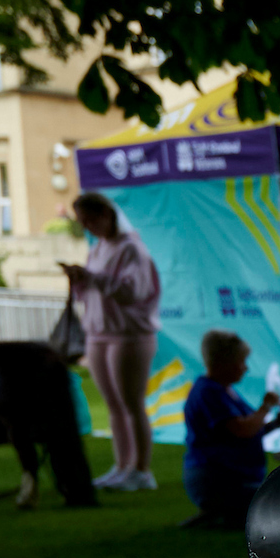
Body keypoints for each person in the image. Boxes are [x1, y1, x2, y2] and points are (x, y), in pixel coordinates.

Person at [61, 192, 161, 492]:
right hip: (100, 333)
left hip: (129, 334)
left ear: (107, 214)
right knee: (114, 406)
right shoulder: (99, 248)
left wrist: (91, 279)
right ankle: (122, 466)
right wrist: (79, 278)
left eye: (91, 220)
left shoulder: (132, 249)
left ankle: (141, 469)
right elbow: (91, 291)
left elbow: (133, 292)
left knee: (132, 403)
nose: (88, 227)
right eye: (83, 223)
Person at [180, 329, 280, 529]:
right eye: (241, 362)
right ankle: (220, 514)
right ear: (224, 362)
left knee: (270, 502)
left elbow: (247, 433)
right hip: (217, 478)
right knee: (277, 502)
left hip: (228, 476)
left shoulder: (221, 390)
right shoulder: (209, 392)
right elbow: (242, 430)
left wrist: (279, 421)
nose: (245, 368)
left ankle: (219, 514)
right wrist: (265, 407)